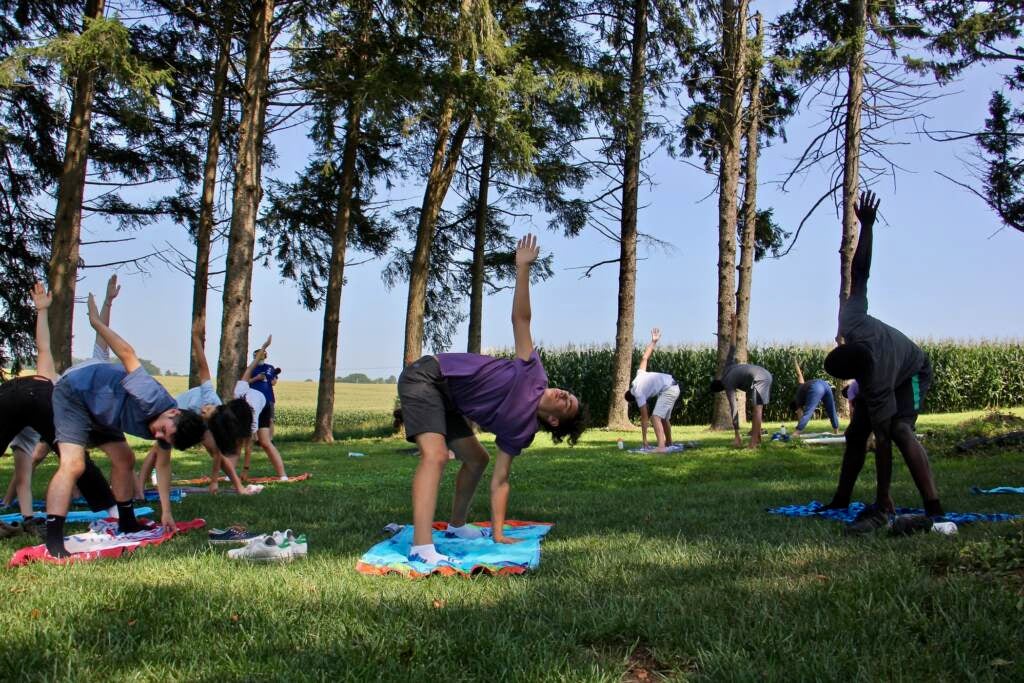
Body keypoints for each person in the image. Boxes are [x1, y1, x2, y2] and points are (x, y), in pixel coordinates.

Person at [398, 234, 588, 566]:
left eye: (566, 402)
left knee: (479, 459)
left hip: (449, 400)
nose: (562, 393)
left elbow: (501, 480)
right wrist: (522, 268)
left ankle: (456, 526)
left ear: (555, 420)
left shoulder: (521, 432)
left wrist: (498, 533)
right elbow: (521, 320)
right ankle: (421, 545)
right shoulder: (535, 374)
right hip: (428, 377)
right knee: (437, 456)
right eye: (567, 393)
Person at [44, 290, 207, 558]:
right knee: (73, 464)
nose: (159, 435)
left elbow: (163, 468)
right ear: (173, 412)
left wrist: (166, 511)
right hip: (75, 393)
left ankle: (127, 521)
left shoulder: (170, 433)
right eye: (164, 429)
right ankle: (53, 541)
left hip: (105, 410)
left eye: (166, 439)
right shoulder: (153, 397)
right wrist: (97, 322)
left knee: (124, 459)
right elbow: (127, 353)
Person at [820, 190, 945, 534]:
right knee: (855, 432)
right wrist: (867, 227)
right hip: (888, 364)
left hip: (913, 370)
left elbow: (884, 444)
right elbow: (861, 271)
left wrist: (882, 498)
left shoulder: (878, 383)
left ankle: (933, 504)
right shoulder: (851, 319)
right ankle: (841, 499)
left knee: (900, 430)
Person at [0, 279, 121, 539]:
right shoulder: (70, 386)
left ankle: (112, 510)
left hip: (13, 393)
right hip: (37, 395)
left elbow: (45, 347)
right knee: (76, 460)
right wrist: (106, 303)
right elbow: (102, 332)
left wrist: (42, 310)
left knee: (73, 459)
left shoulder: (58, 377)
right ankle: (112, 511)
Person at [135, 331, 258, 497]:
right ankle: (140, 487)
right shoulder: (210, 397)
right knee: (161, 446)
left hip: (195, 425)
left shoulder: (215, 425)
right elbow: (203, 368)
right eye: (207, 408)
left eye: (207, 412)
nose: (204, 409)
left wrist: (214, 480)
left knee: (214, 450)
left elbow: (217, 454)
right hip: (177, 414)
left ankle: (239, 487)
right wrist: (197, 342)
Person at [207, 337, 288, 482]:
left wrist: (246, 469)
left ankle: (283, 475)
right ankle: (229, 474)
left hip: (263, 407)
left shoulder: (253, 413)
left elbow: (249, 445)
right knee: (237, 442)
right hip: (252, 404)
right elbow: (250, 367)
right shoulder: (239, 390)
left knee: (264, 442)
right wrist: (263, 347)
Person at [709, 314, 773, 449]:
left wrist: (737, 434)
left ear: (720, 388)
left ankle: (753, 443)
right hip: (766, 374)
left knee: (757, 409)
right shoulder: (728, 367)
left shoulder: (727, 384)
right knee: (758, 407)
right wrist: (734, 325)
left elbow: (734, 408)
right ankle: (758, 438)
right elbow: (732, 346)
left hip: (758, 378)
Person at [624, 328, 679, 452]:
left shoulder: (638, 394)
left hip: (669, 389)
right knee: (664, 418)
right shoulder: (638, 376)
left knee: (655, 417)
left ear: (632, 400)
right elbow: (644, 358)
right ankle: (669, 443)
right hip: (673, 386)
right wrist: (654, 341)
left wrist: (644, 440)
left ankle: (661, 447)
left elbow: (645, 418)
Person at [241, 338, 285, 480]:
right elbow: (246, 380)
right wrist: (256, 378)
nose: (260, 356)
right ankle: (236, 473)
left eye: (263, 354)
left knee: (264, 439)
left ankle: (282, 475)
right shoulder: (251, 370)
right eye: (258, 355)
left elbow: (273, 381)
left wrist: (272, 378)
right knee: (244, 441)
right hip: (253, 403)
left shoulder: (270, 368)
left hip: (265, 402)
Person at [790, 359, 840, 437]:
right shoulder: (801, 386)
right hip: (826, 385)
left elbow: (801, 414)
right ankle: (836, 431)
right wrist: (795, 363)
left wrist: (799, 428)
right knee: (831, 409)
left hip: (816, 388)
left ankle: (796, 433)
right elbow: (799, 375)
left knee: (809, 411)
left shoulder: (798, 400)